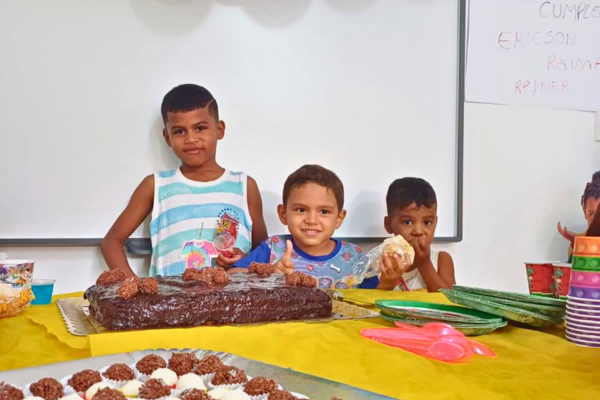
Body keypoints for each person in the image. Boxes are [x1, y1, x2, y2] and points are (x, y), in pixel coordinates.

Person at [101, 84, 268, 277]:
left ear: (219, 130)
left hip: (234, 296)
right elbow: (111, 242)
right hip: (169, 297)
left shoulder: (244, 186)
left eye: (200, 128)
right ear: (167, 137)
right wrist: (135, 286)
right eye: (179, 131)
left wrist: (244, 259)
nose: (191, 139)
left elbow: (264, 253)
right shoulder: (156, 186)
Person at [233, 165, 404, 289]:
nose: (312, 220)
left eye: (324, 212)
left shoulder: (354, 257)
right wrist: (269, 272)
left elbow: (372, 302)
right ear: (283, 214)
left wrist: (388, 283)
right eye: (301, 210)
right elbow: (230, 276)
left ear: (339, 218)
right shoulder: (273, 248)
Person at [383, 177, 455, 292]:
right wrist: (388, 282)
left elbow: (450, 300)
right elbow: (370, 300)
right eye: (407, 222)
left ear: (435, 223)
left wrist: (424, 264)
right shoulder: (382, 262)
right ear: (388, 224)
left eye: (427, 222)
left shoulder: (441, 260)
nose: (418, 231)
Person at [557, 172, 600, 261]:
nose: (596, 220)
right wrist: (578, 245)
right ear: (584, 212)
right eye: (591, 214)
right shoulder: (577, 241)